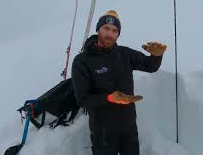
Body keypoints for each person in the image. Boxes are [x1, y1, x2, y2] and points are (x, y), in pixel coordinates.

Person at [71, 10, 167, 155]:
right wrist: (109, 98)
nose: (110, 34)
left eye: (115, 30)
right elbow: (83, 100)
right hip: (102, 130)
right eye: (106, 28)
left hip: (128, 125)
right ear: (98, 29)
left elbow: (150, 66)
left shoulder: (124, 54)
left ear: (118, 34)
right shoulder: (82, 61)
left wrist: (156, 56)